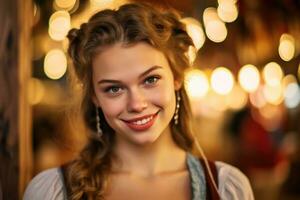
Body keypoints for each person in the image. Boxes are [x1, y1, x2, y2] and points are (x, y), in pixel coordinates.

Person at [24, 2, 254, 200]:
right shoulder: (53, 190)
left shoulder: (226, 188)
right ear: (95, 96)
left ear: (176, 77)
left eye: (150, 79)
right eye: (114, 88)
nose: (136, 104)